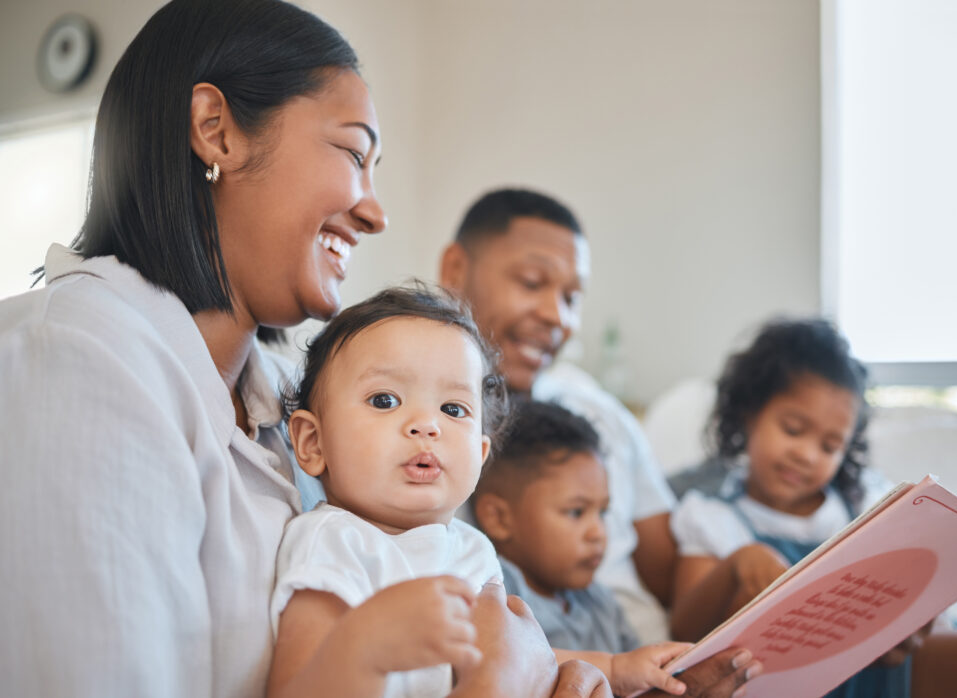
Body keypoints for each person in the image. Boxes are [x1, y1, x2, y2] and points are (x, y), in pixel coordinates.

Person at [0, 2, 612, 696]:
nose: (376, 211)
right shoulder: (72, 363)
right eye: (355, 153)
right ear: (216, 131)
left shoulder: (283, 393)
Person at [440, 186, 763, 693]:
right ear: (455, 269)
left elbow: (668, 578)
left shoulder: (599, 415)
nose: (558, 317)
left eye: (572, 298)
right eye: (531, 282)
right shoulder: (419, 421)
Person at [668, 317, 957, 697]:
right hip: (775, 681)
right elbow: (683, 631)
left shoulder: (867, 502)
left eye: (829, 446)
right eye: (792, 429)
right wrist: (738, 564)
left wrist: (918, 622)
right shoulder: (711, 516)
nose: (806, 455)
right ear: (749, 412)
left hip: (887, 671)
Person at [268, 285, 512, 697]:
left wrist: (607, 666)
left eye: (453, 409)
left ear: (482, 453)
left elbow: (507, 659)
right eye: (385, 400)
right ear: (312, 442)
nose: (426, 425)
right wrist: (365, 649)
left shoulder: (473, 550)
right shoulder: (333, 543)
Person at [474, 398, 691, 697]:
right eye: (576, 512)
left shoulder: (602, 605)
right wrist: (614, 668)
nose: (598, 533)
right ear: (499, 518)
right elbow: (506, 667)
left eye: (602, 513)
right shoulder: (493, 594)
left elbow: (640, 684)